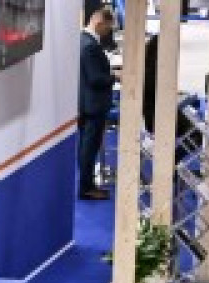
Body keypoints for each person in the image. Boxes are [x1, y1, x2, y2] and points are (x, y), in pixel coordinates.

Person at [77, 4, 116, 200]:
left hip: (86, 104)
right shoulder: (90, 46)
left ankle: (87, 184)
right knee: (89, 149)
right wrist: (114, 77)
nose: (108, 32)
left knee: (86, 147)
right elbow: (95, 78)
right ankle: (87, 187)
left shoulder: (83, 40)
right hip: (93, 105)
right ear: (99, 23)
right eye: (108, 28)